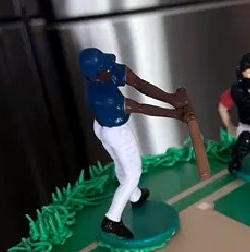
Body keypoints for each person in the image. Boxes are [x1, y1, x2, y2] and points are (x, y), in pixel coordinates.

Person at [78, 48, 193, 239]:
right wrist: (175, 114)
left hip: (101, 127)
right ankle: (112, 219)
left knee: (120, 164)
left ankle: (135, 196)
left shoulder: (102, 74)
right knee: (132, 173)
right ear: (97, 74)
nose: (109, 68)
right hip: (115, 132)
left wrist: (171, 98)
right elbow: (140, 108)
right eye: (105, 67)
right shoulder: (102, 97)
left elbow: (138, 83)